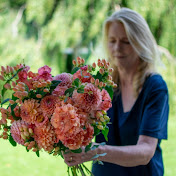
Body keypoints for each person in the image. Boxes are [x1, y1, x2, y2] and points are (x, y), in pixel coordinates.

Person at [63, 8, 169, 176]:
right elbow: (81, 127)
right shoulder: (102, 84)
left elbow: (146, 151)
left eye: (126, 41)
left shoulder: (155, 87)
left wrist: (94, 151)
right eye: (112, 41)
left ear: (141, 43)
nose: (117, 48)